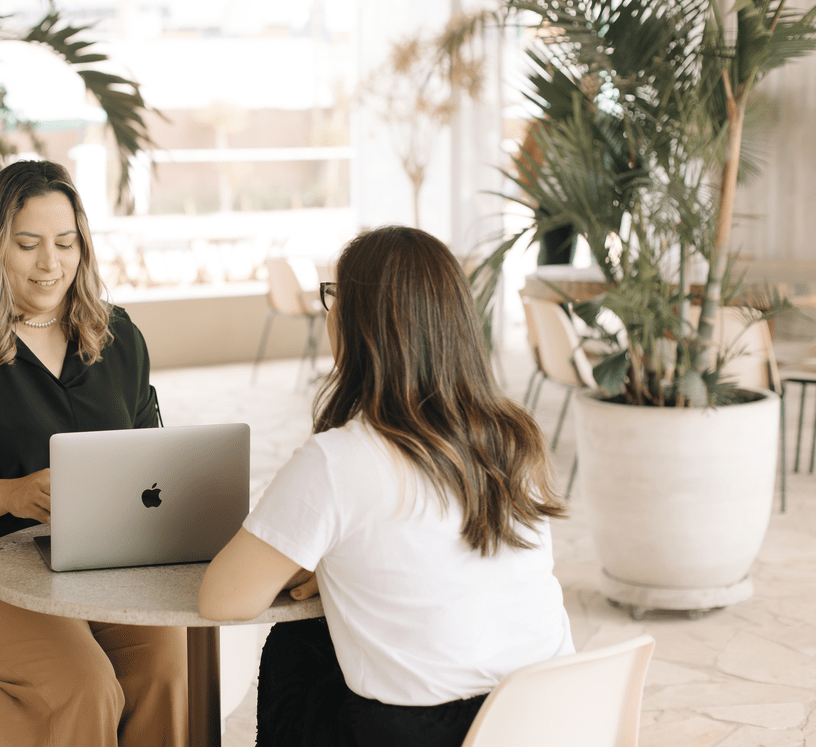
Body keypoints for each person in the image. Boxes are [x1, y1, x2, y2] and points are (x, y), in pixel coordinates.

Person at [199, 225, 573, 747]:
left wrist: (322, 562)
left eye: (333, 296)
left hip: (430, 734)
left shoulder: (339, 459)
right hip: (551, 721)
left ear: (358, 323)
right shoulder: (516, 437)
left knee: (299, 643)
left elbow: (223, 599)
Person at [0, 161, 187, 747]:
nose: (51, 263)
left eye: (65, 243)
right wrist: (12, 494)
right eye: (28, 244)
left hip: (94, 569)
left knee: (169, 663)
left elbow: (153, 460)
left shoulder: (117, 338)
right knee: (83, 684)